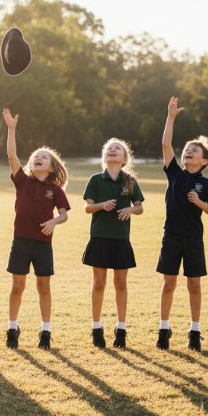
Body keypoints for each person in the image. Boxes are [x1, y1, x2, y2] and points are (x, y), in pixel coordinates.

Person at [1, 108, 70, 350]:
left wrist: (54, 221)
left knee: (43, 286)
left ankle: (45, 330)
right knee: (18, 286)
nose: (38, 158)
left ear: (51, 168)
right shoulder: (24, 181)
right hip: (20, 241)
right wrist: (11, 129)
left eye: (44, 157)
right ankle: (12, 327)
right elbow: (11, 157)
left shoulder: (55, 190)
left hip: (42, 244)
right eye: (35, 156)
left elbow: (64, 215)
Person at [156, 96, 208, 352]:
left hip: (193, 239)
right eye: (187, 149)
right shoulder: (175, 173)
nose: (189, 152)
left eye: (195, 151)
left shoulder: (207, 184)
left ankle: (194, 330)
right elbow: (165, 143)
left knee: (194, 284)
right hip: (171, 236)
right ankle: (163, 328)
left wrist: (199, 203)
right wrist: (171, 117)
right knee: (168, 283)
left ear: (204, 161)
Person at [82, 138, 144, 348]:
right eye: (109, 148)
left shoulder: (130, 181)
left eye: (117, 149)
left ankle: (121, 328)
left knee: (121, 284)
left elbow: (140, 207)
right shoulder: (95, 179)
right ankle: (96, 327)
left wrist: (130, 209)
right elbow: (87, 208)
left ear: (125, 159)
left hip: (121, 240)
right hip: (99, 238)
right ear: (104, 157)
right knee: (99, 283)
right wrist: (101, 205)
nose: (112, 150)